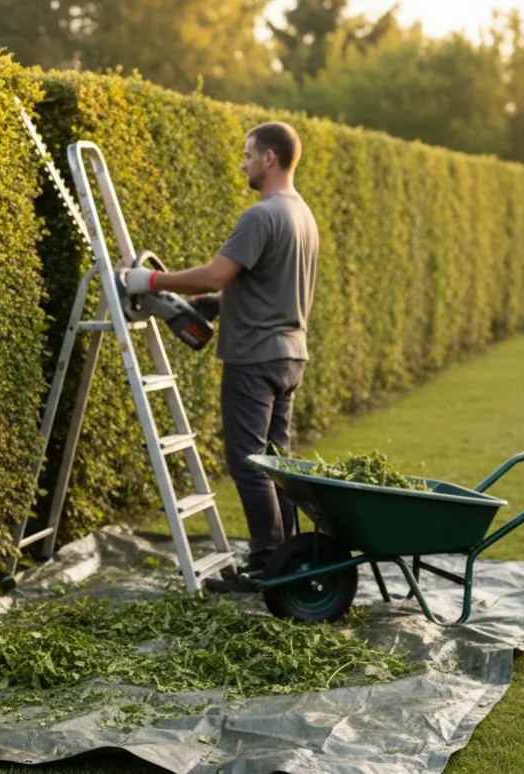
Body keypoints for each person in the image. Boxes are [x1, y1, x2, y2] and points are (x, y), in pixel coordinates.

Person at [120, 121, 319, 583]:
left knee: (248, 461)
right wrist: (209, 307)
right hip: (291, 355)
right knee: (278, 460)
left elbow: (215, 274)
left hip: (254, 355)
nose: (243, 163)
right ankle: (289, 558)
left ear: (269, 158)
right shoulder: (302, 214)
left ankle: (268, 561)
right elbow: (264, 285)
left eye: (248, 155)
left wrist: (148, 281)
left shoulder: (261, 215)